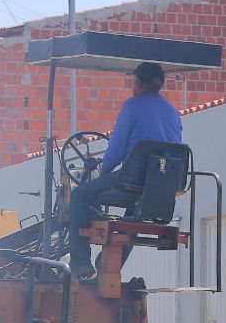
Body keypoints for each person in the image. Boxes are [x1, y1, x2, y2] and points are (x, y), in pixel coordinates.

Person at [67, 61, 184, 279]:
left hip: (132, 180)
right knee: (135, 215)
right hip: (162, 185)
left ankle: (80, 262)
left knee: (80, 195)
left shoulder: (132, 106)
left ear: (138, 82)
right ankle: (110, 263)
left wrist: (104, 170)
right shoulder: (173, 113)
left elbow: (117, 150)